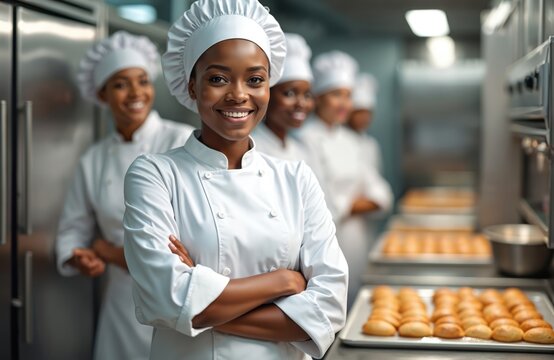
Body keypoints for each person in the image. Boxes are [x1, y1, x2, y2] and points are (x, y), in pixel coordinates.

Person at [122, 1, 349, 359]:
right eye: (217, 79)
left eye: (255, 79)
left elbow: (328, 309)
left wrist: (198, 298)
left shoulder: (296, 178)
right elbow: (165, 297)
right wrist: (283, 282)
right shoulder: (155, 175)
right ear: (192, 86)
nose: (239, 94)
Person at [55, 31, 194, 360]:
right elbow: (73, 227)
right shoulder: (95, 158)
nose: (135, 93)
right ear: (102, 94)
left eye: (142, 81)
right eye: (120, 84)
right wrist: (79, 255)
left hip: (180, 297)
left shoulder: (183, 140)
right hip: (121, 304)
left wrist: (109, 251)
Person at [295, 51, 393, 308]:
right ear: (318, 98)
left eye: (348, 96)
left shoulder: (351, 141)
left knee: (354, 305)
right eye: (336, 94)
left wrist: (348, 205)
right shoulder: (305, 140)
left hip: (356, 242)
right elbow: (323, 208)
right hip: (324, 246)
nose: (343, 104)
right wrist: (354, 204)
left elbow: (382, 194)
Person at [252, 33, 314, 161]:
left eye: (307, 95)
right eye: (290, 93)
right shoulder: (252, 150)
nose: (301, 103)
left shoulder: (299, 152)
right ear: (267, 94)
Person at [347, 73, 383, 173]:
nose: (364, 118)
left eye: (368, 113)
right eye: (359, 113)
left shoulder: (371, 145)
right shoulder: (338, 139)